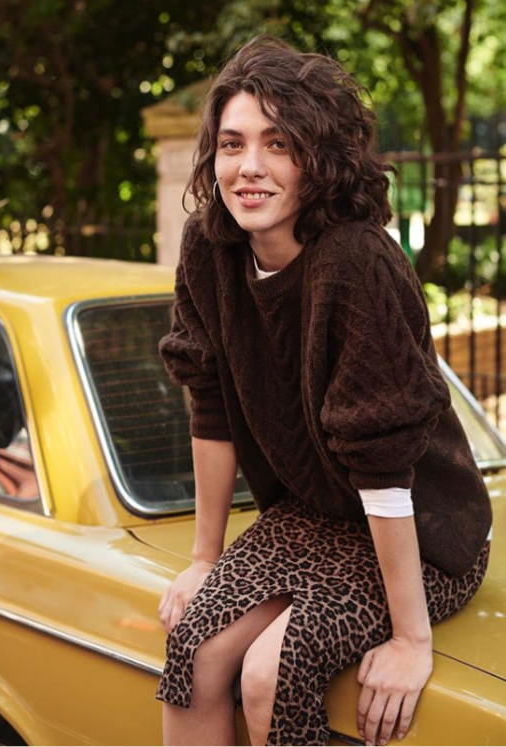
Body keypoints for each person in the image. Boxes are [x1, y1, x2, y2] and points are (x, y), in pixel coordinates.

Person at [154, 34, 492, 747]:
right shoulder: (208, 249)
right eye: (232, 144)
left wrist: (412, 640)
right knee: (193, 647)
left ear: (318, 158)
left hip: (424, 526)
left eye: (278, 144)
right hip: (316, 514)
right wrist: (204, 557)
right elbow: (209, 401)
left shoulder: (356, 263)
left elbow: (382, 462)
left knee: (269, 671)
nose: (249, 166)